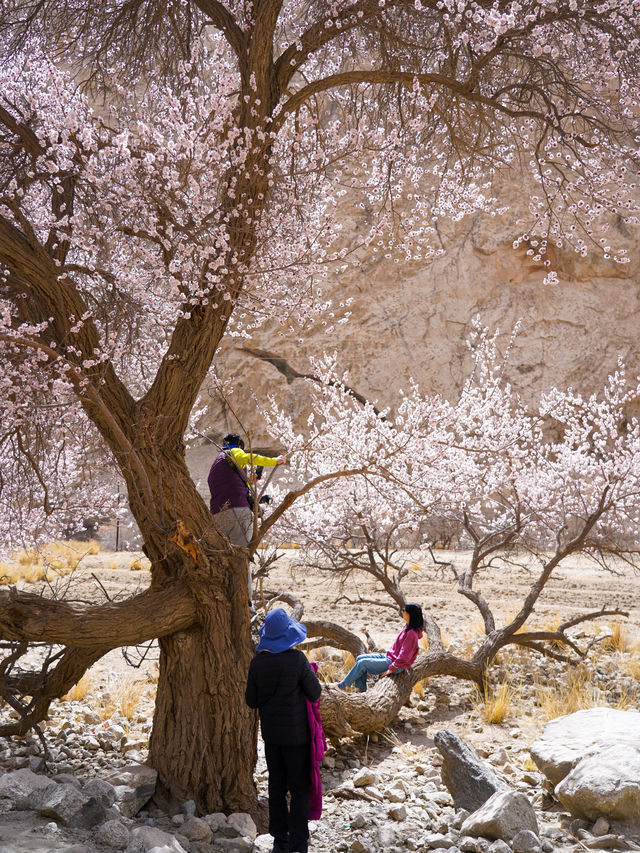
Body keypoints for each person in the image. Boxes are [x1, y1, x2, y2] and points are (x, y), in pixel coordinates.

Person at [245, 609, 322, 853]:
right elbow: (315, 693)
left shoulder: (257, 664)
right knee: (299, 788)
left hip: (272, 738)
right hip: (297, 738)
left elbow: (251, 701)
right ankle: (299, 844)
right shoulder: (298, 661)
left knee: (276, 787)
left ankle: (280, 841)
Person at [208, 433, 287, 607]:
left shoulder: (218, 462)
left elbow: (230, 486)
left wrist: (251, 480)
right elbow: (248, 457)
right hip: (236, 513)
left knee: (226, 560)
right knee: (241, 561)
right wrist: (275, 461)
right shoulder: (234, 453)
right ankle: (246, 605)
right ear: (239, 446)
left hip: (217, 516)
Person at [330, 603, 424, 692]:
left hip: (396, 664)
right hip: (390, 657)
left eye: (405, 610)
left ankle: (341, 686)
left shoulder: (411, 633)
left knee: (363, 664)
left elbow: (404, 656)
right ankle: (361, 691)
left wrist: (391, 669)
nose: (402, 611)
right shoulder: (408, 626)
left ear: (410, 615)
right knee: (360, 658)